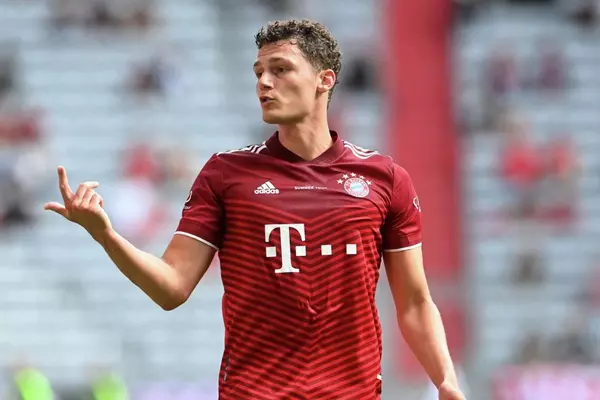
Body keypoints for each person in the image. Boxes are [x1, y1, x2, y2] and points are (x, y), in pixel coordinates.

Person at [45, 19, 465, 400]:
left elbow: (414, 302)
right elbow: (171, 288)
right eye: (259, 72)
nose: (264, 82)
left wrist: (445, 379)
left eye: (280, 69)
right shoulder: (226, 174)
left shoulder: (384, 179)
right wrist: (106, 235)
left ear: (324, 80)